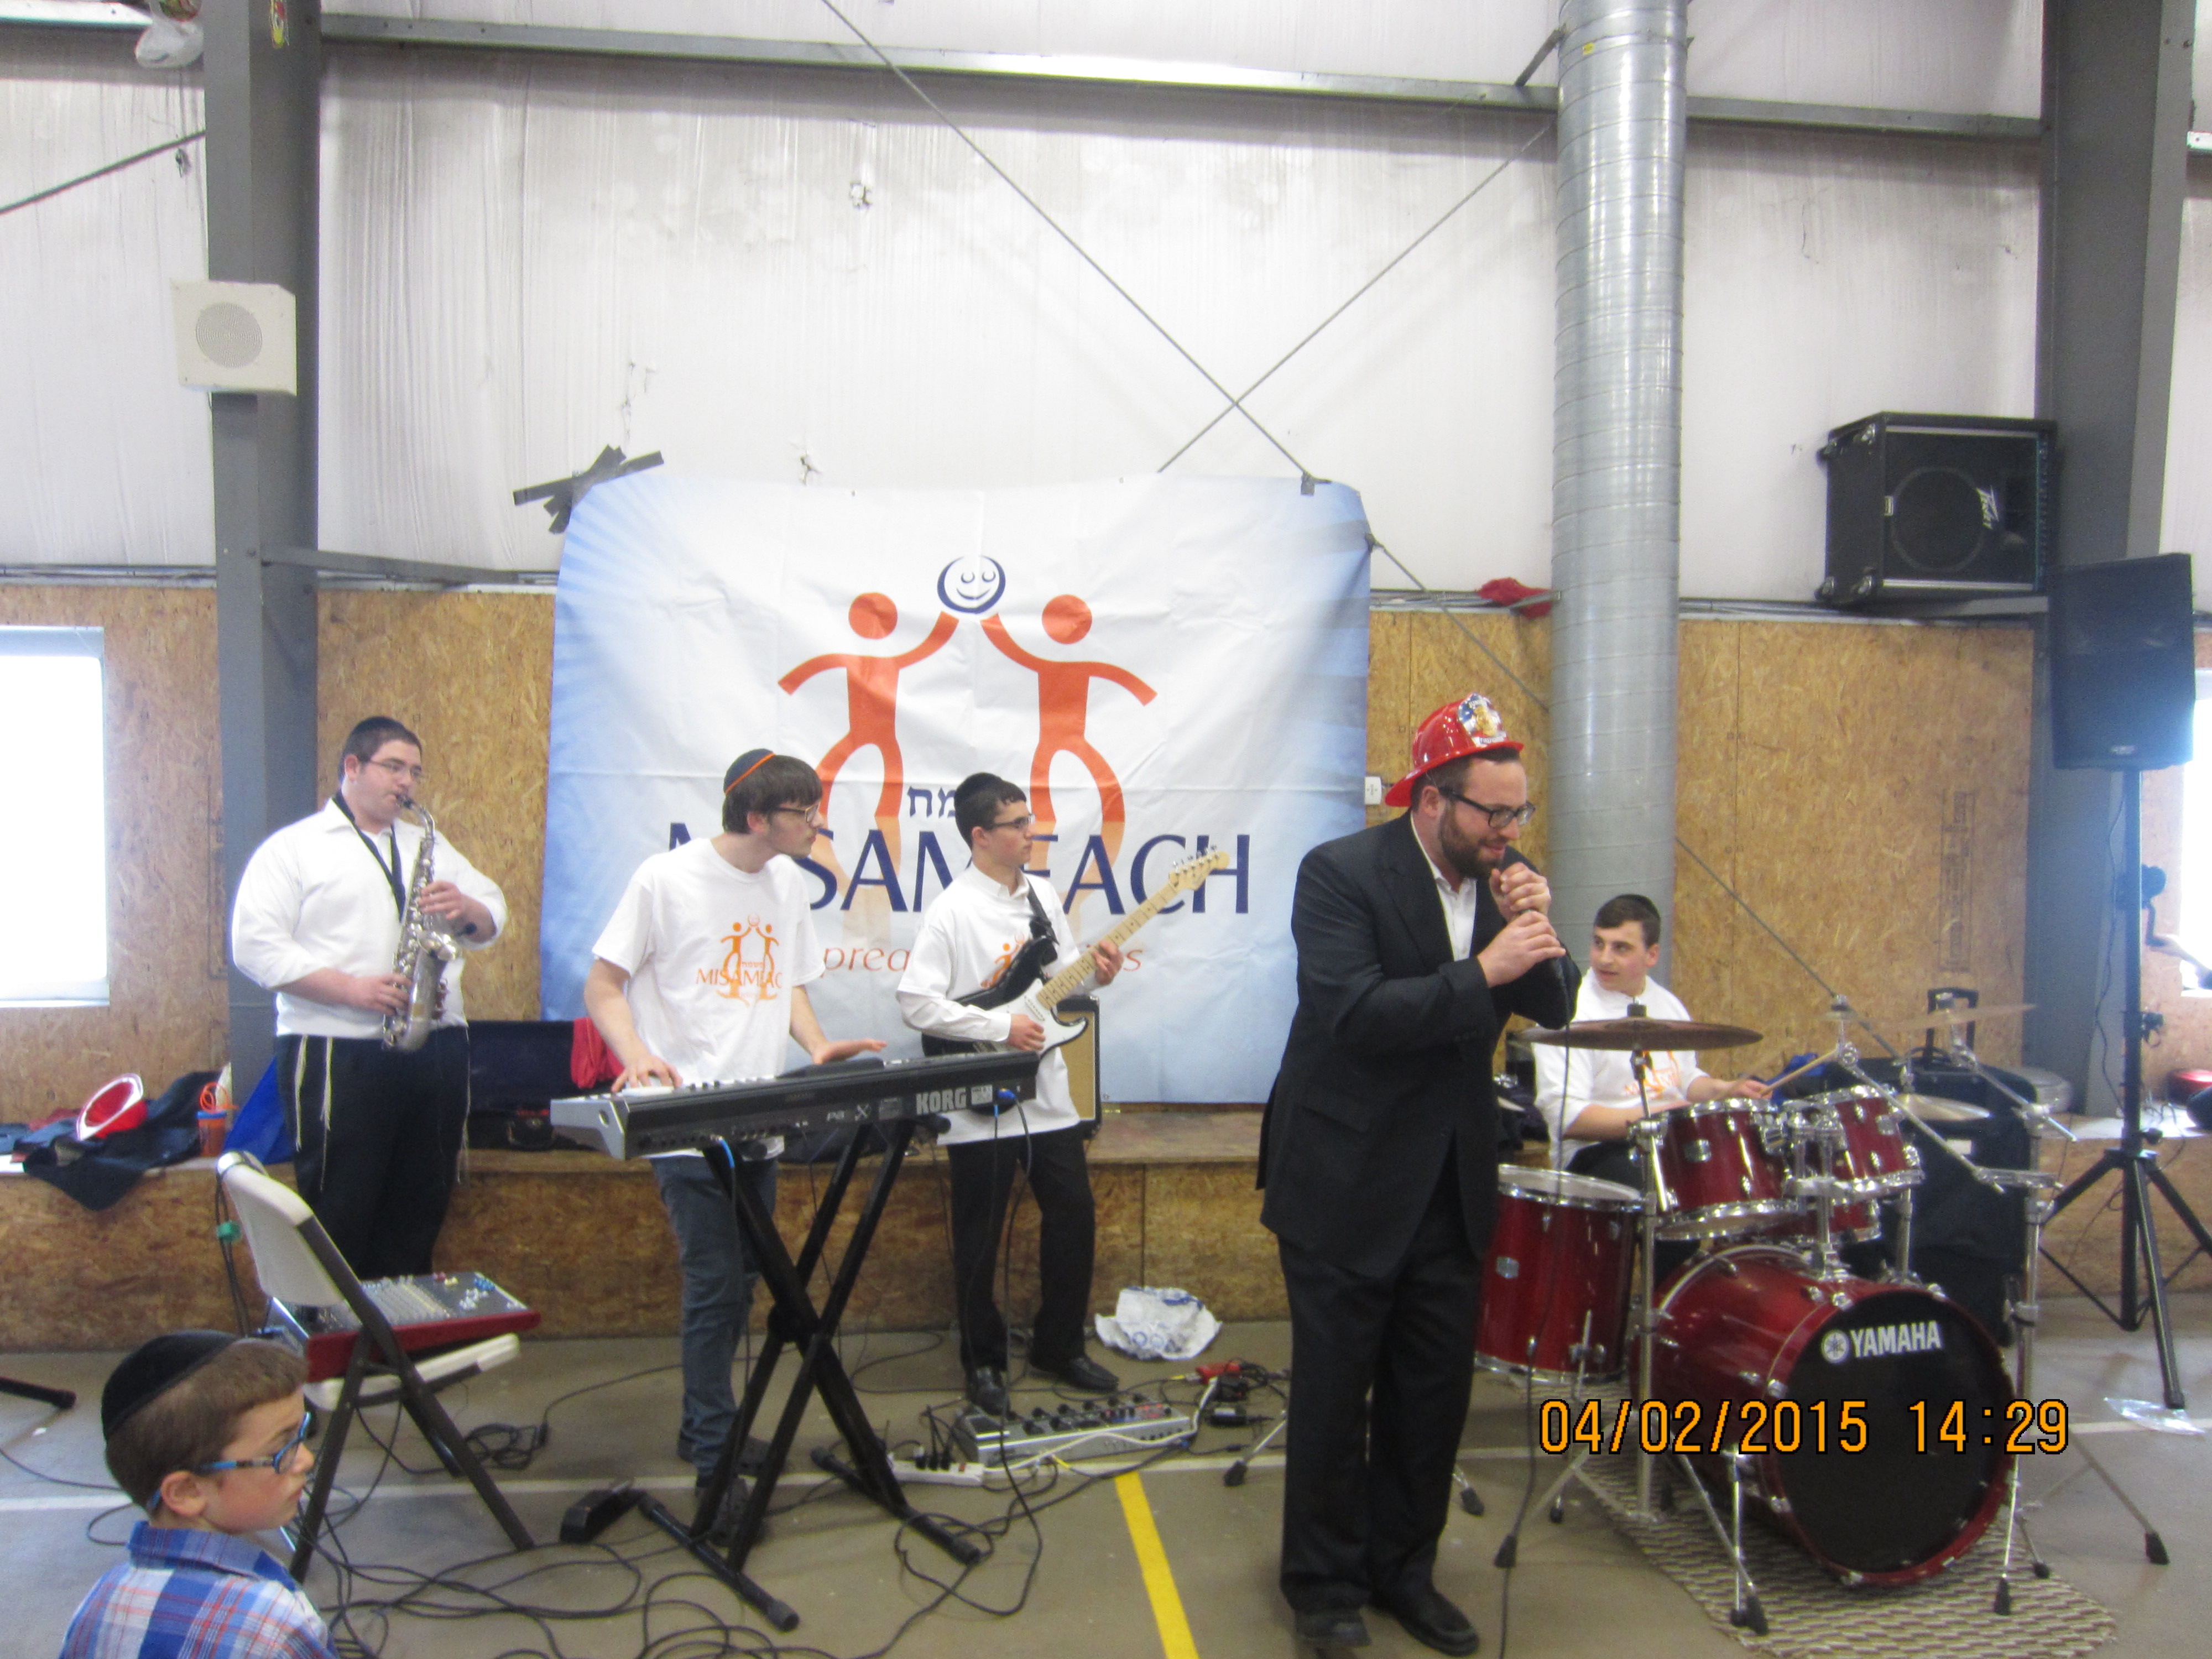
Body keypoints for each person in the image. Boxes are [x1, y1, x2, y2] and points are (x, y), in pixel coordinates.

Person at [1260, 692, 1572, 1657]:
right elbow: (1356, 1014)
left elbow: (1558, 1005)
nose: (1509, 831)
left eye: (1520, 812)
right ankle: (1324, 1589)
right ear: (1433, 800)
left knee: (1431, 1396)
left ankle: (1405, 1570)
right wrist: (1485, 971)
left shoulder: (1503, 880)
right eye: (1494, 813)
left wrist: (1537, 924)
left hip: (1450, 1180)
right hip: (1344, 1176)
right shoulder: (1341, 873)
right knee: (1334, 1397)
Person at [582, 749, 883, 1528]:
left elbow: (787, 982)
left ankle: (701, 1427)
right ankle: (715, 1464)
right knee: (716, 1285)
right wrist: (636, 1055)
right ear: (757, 818)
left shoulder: (786, 883)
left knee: (748, 1278)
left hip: (757, 1121)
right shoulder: (666, 879)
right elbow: (603, 985)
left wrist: (815, 1045)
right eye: (803, 814)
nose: (817, 825)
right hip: (686, 1122)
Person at [232, 716, 505, 1279]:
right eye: (394, 767)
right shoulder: (295, 849)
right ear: (352, 767)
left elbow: (492, 915)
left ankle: (399, 1324)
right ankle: (334, 1323)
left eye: (415, 773)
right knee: (341, 1207)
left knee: (420, 1207)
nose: (407, 783)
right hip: (338, 1047)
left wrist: (467, 909)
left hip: (434, 1046)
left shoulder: (429, 844)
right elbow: (254, 949)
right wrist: (354, 990)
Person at [895, 771, 1125, 1418]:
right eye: (1018, 824)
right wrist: (998, 1028)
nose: (1031, 833)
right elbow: (915, 1003)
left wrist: (1097, 976)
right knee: (979, 1233)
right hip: (977, 1099)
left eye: (1029, 821)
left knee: (1074, 1216)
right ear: (981, 835)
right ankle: (982, 1359)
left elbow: (1061, 982)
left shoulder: (1042, 896)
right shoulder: (950, 911)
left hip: (1047, 1095)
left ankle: (1060, 1345)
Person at [60, 1331, 335, 1659]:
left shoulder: (99, 1602)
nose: (306, 1460)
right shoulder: (273, 1624)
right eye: (281, 1451)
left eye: (302, 1433)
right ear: (187, 1492)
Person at [1532, 892, 1771, 1186]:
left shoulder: (1667, 1004)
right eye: (1599, 943)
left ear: (1652, 955)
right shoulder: (1567, 1012)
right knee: (1664, 1184)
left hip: (1666, 1142)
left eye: (1621, 948)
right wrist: (1659, 1116)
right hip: (1598, 1153)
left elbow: (1683, 1079)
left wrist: (1726, 1090)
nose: (1604, 958)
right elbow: (1567, 1118)